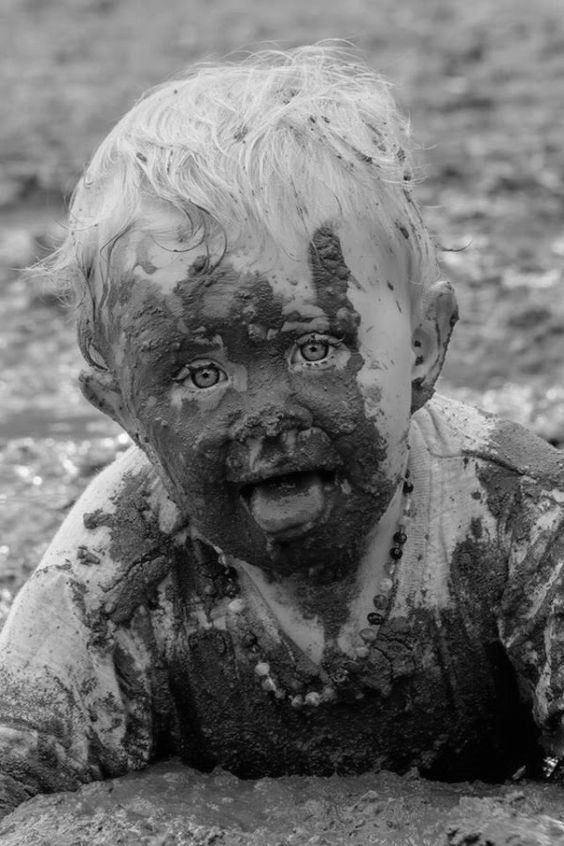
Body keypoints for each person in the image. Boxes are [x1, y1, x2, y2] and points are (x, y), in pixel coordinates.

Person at [0, 44, 562, 820]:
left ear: (424, 348)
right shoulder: (109, 576)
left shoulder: (517, 521)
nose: (266, 418)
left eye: (316, 348)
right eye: (201, 374)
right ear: (125, 410)